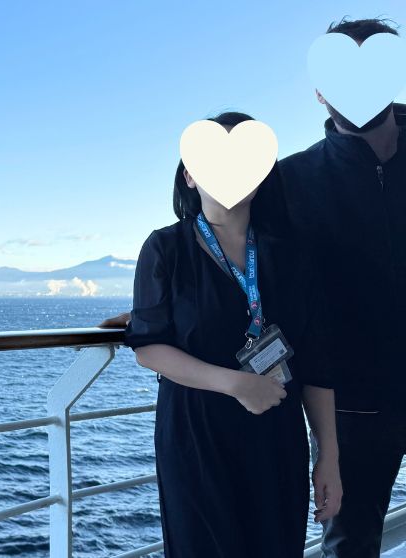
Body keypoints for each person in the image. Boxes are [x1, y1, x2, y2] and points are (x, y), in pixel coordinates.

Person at [103, 17, 406, 557]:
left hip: (297, 412)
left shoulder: (280, 200)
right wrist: (151, 313)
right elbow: (238, 272)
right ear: (319, 91)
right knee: (352, 544)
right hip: (355, 404)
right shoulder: (292, 180)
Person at [125, 111, 341, 557]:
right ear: (189, 176)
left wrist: (329, 458)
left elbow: (317, 365)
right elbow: (149, 347)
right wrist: (236, 384)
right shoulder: (165, 248)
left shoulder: (294, 256)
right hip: (196, 439)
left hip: (276, 437)